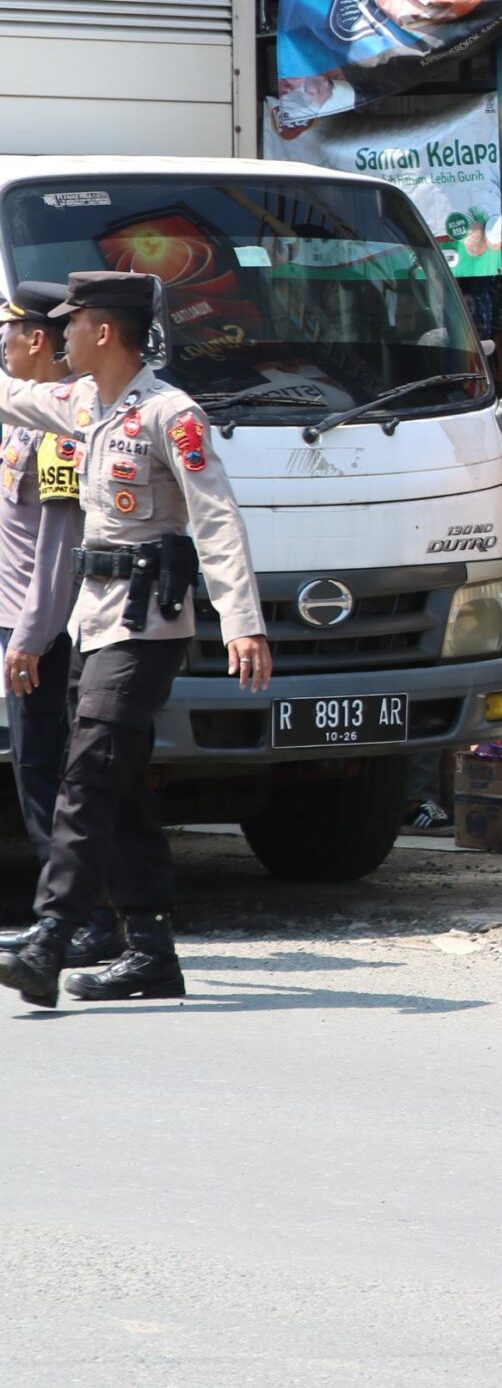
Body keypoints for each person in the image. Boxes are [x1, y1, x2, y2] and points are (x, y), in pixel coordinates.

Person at [0, 272, 271, 1009]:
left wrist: (241, 619)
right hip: (96, 619)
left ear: (104, 331)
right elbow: (11, 393)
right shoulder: (87, 402)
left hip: (146, 623)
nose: (61, 336)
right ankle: (150, 951)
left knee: (87, 773)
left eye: (73, 323)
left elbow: (215, 518)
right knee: (116, 783)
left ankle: (51, 935)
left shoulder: (170, 414)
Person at [0, 284, 104, 965]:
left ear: (35, 338)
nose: (1, 346)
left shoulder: (61, 432)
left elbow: (59, 550)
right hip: (14, 625)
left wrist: (32, 636)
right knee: (35, 772)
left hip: (38, 633)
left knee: (45, 775)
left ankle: (74, 919)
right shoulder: (23, 416)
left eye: (6, 335)